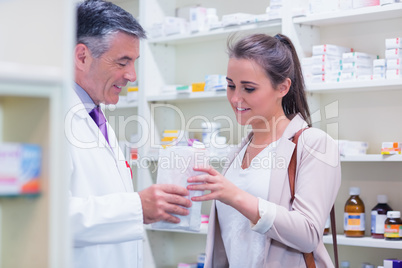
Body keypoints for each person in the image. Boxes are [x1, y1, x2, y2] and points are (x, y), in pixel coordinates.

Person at [187, 33, 341, 267]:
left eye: (248, 88)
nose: (236, 98)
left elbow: (309, 234)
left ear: (282, 87)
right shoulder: (238, 152)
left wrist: (235, 196)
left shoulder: (314, 144)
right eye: (231, 86)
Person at [66, 1, 192, 267]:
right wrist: (137, 207)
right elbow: (46, 217)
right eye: (122, 62)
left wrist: (139, 207)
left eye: (133, 63)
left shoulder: (96, 118)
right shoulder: (52, 119)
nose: (132, 76)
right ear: (81, 57)